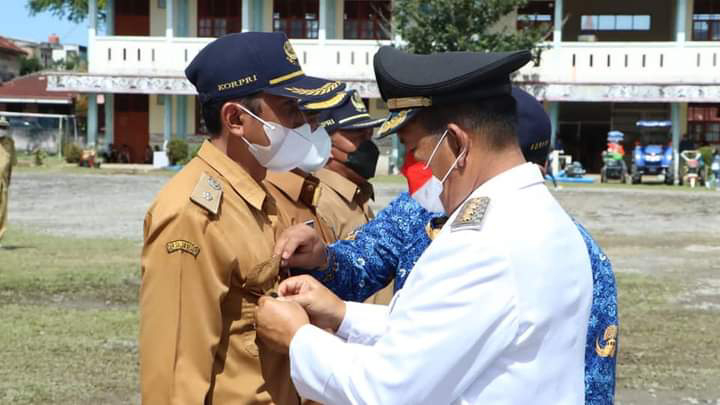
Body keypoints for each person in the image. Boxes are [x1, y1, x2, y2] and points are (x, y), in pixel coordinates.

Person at [255, 47, 593, 403]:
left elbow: (388, 390)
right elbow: (446, 333)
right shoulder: (542, 218)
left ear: (457, 143)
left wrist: (298, 338)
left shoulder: (481, 244)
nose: (422, 173)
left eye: (417, 152)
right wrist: (343, 315)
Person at [139, 32, 345, 404]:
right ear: (236, 118)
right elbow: (175, 375)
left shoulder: (256, 193)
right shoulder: (192, 215)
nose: (302, 124)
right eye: (289, 110)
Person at [0, 116, 16, 244]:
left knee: (2, 211)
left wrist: (8, 182)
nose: (2, 129)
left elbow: (10, 165)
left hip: (3, 183)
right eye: (0, 126)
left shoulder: (10, 143)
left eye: (4, 127)